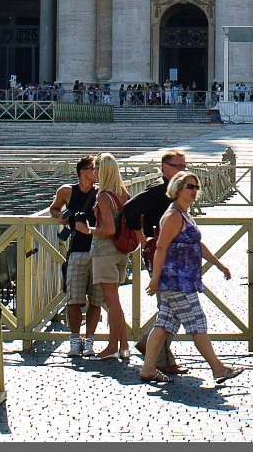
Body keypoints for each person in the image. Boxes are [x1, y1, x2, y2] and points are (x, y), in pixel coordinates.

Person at [138, 170, 242, 384]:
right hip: (176, 280)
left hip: (184, 279)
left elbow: (197, 244)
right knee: (197, 322)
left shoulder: (184, 214)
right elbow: (161, 248)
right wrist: (155, 279)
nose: (195, 191)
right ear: (177, 189)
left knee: (164, 323)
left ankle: (148, 369)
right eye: (190, 187)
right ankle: (218, 368)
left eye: (196, 187)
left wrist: (219, 264)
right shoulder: (173, 216)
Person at [124, 149, 191, 374]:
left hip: (176, 257)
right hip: (161, 257)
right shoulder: (159, 190)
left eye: (184, 166)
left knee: (173, 307)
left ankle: (149, 344)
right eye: (177, 166)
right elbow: (130, 209)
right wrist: (141, 237)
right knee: (171, 307)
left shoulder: (177, 190)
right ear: (164, 167)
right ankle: (161, 359)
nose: (182, 170)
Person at [48, 156, 103, 358]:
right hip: (77, 249)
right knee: (74, 298)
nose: (97, 171)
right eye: (94, 168)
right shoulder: (66, 191)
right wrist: (59, 216)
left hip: (99, 249)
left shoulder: (102, 192)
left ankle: (90, 340)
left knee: (96, 299)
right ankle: (74, 339)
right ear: (83, 172)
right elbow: (53, 208)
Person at [88, 153, 134, 359]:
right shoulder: (123, 193)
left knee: (111, 302)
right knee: (115, 301)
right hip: (121, 251)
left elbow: (108, 229)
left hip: (105, 251)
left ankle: (112, 346)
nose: (94, 172)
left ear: (102, 171)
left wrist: (88, 230)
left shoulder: (103, 197)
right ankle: (124, 345)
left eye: (96, 169)